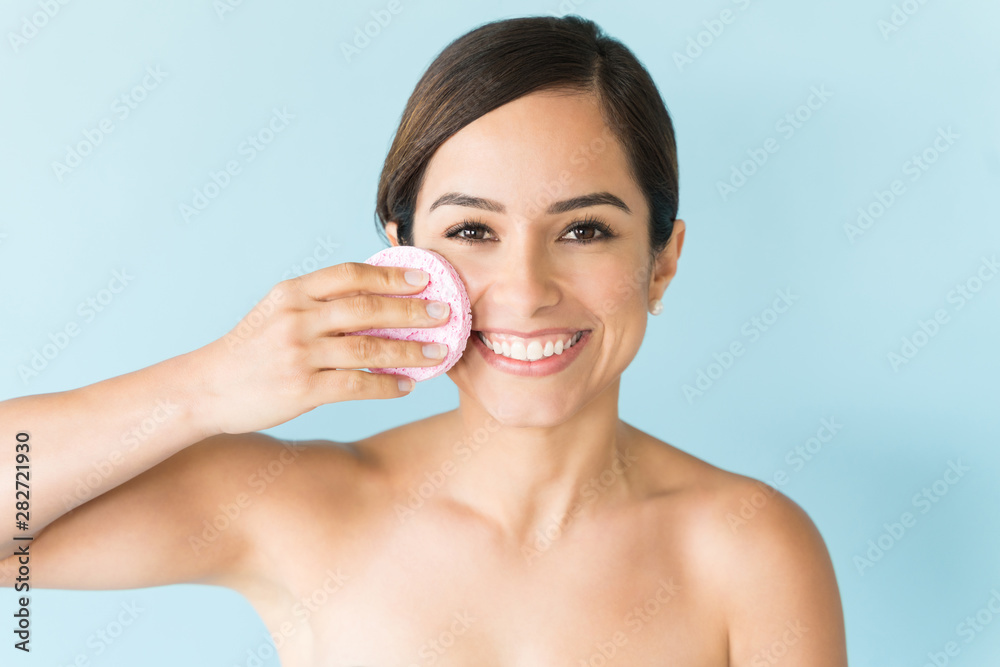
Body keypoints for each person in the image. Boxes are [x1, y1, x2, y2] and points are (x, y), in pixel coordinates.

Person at [1, 14, 847, 666]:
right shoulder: (293, 507)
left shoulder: (749, 545)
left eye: (584, 230)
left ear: (661, 262)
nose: (525, 290)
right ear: (403, 254)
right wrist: (209, 386)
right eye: (473, 230)